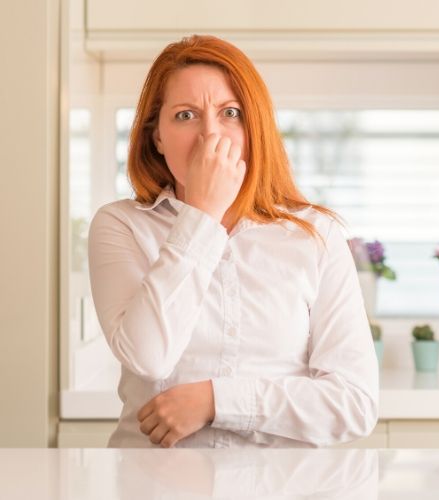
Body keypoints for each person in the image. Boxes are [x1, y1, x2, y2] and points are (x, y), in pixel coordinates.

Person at [88, 34, 379, 449]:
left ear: (254, 127)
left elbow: (353, 403)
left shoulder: (315, 235)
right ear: (156, 137)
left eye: (230, 113)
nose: (211, 136)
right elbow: (148, 358)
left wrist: (216, 400)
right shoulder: (120, 226)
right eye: (186, 115)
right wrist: (201, 215)